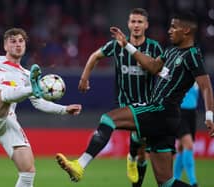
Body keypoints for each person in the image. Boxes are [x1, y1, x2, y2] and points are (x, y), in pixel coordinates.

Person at [55, 11, 214, 187]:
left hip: (161, 110)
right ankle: (132, 156)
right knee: (166, 182)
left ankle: (80, 165)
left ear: (186, 30)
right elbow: (153, 66)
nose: (169, 30)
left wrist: (209, 116)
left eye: (174, 27)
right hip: (166, 118)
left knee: (108, 119)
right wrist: (127, 46)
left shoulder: (192, 54)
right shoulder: (171, 51)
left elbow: (206, 86)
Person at [0, 28, 82, 187]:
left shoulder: (27, 75)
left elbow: (39, 103)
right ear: (5, 46)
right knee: (2, 94)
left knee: (28, 171)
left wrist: (64, 109)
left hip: (7, 121)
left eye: (21, 41)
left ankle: (34, 90)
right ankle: (34, 90)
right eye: (13, 41)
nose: (18, 45)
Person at [78, 8, 162, 187]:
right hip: (125, 103)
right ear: (128, 24)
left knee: (141, 151)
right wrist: (84, 78)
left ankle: (132, 158)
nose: (136, 25)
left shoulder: (154, 47)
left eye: (140, 22)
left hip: (147, 104)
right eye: (133, 21)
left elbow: (162, 71)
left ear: (146, 25)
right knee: (108, 121)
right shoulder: (116, 45)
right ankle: (81, 164)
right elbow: (95, 56)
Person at [174, 83, 200, 187]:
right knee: (188, 145)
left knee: (181, 147)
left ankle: (175, 178)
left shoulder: (198, 74)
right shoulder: (180, 69)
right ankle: (193, 182)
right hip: (180, 112)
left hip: (192, 113)